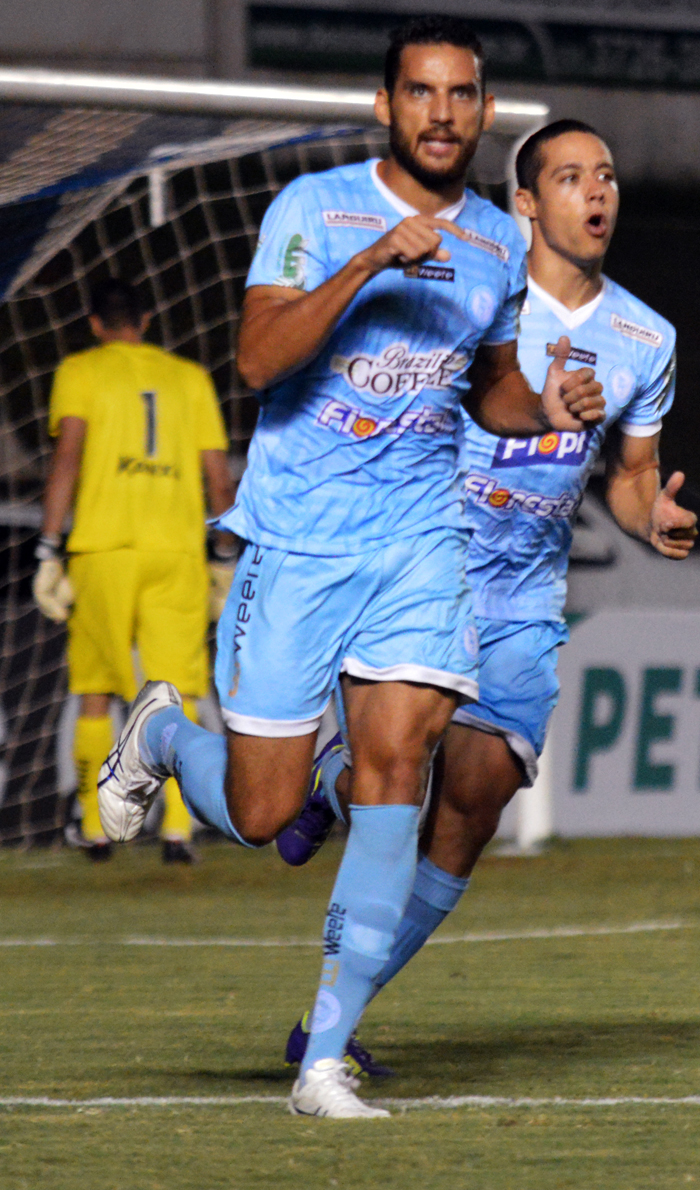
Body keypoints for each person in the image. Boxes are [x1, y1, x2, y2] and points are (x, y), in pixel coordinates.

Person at [97, 24, 605, 1119]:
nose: (441, 113)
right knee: (261, 810)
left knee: (398, 764)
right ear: (384, 104)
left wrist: (547, 410)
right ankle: (165, 736)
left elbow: (490, 390)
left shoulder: (496, 243)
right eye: (420, 93)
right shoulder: (313, 212)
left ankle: (322, 1059)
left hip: (419, 539)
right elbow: (256, 358)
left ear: (480, 112)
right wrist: (373, 261)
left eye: (462, 96)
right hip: (299, 542)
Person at [278, 119, 698, 1073]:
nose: (598, 193)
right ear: (524, 203)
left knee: (473, 805)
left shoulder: (646, 336)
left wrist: (653, 520)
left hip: (524, 592)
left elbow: (631, 478)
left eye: (608, 175)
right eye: (570, 177)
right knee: (397, 770)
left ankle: (329, 1021)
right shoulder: (472, 297)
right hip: (428, 562)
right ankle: (317, 784)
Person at [34, 278, 235, 863]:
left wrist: (49, 545)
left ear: (96, 325)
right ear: (146, 320)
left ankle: (96, 828)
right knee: (180, 694)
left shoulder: (80, 370)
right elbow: (218, 479)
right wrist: (223, 554)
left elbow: (67, 455)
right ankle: (177, 827)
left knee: (95, 688)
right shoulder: (190, 378)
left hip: (103, 550)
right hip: (176, 552)